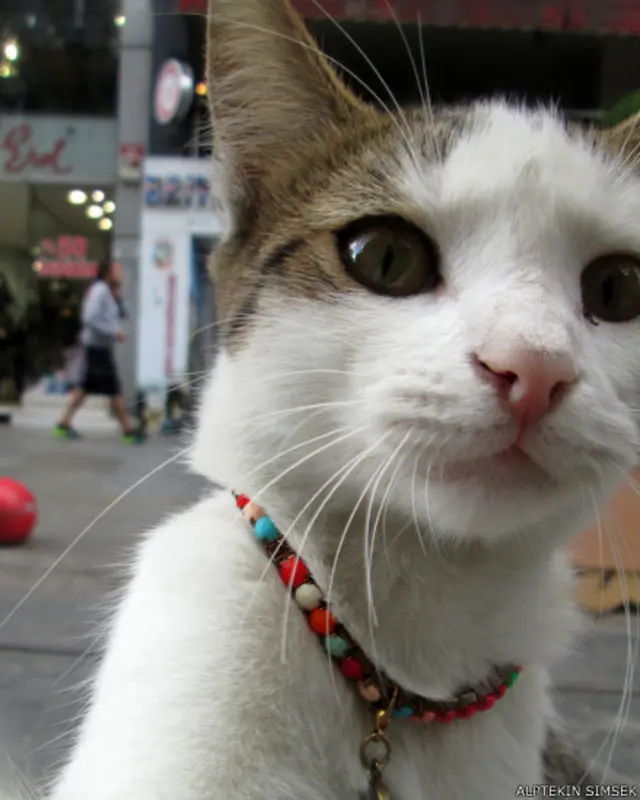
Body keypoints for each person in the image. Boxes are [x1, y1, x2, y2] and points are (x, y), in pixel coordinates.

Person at [53, 261, 144, 443]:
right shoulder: (100, 290)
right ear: (109, 273)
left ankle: (63, 424)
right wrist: (113, 331)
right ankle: (127, 430)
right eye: (118, 270)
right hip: (97, 348)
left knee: (85, 388)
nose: (121, 274)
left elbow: (120, 315)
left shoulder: (109, 292)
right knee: (114, 388)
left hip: (100, 348)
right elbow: (90, 317)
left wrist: (118, 299)